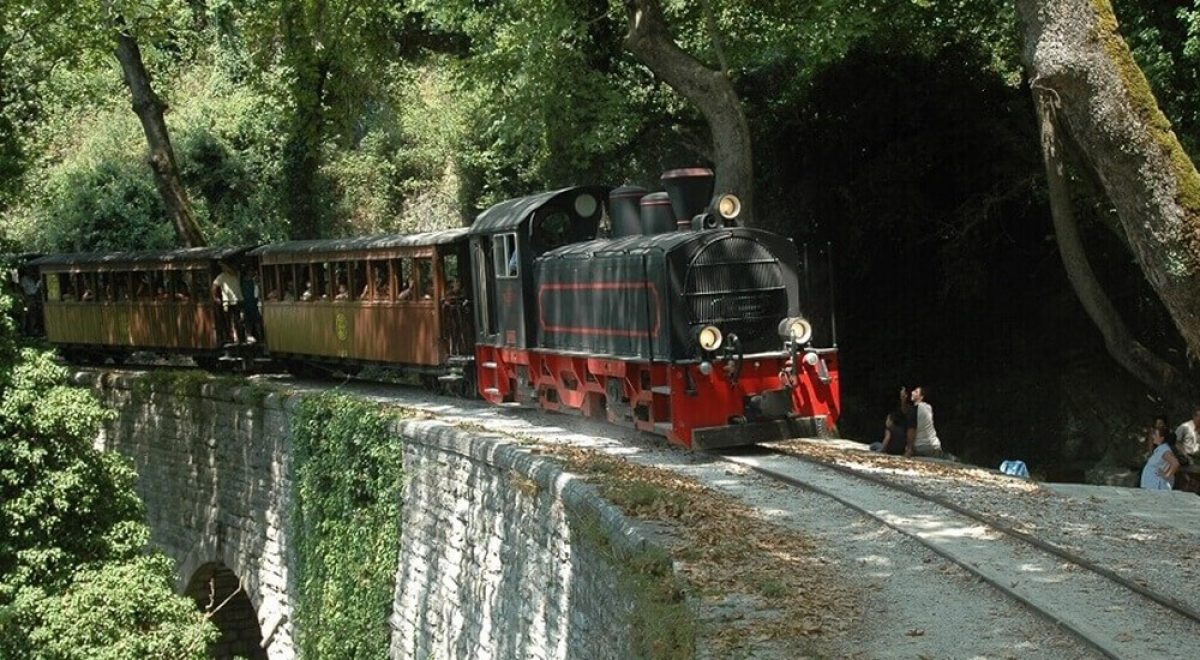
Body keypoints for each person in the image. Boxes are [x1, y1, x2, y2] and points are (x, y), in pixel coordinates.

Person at [211, 262, 244, 344]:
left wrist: (223, 264)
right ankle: (231, 338)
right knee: (228, 321)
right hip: (227, 302)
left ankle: (240, 338)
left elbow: (232, 271)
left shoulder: (237, 273)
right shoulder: (221, 276)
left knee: (238, 321)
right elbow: (214, 286)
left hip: (237, 300)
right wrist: (215, 298)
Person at [907, 385, 942, 458]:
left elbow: (911, 430)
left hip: (921, 447)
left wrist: (909, 449)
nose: (912, 392)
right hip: (936, 446)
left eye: (916, 392)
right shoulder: (928, 407)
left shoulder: (914, 410)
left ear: (921, 397)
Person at [1142, 425, 1180, 490]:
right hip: (1151, 486)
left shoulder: (1164, 450)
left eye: (1155, 434)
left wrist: (1166, 475)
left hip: (1157, 486)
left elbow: (1175, 463)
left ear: (1161, 438)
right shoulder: (1160, 449)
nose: (1153, 436)